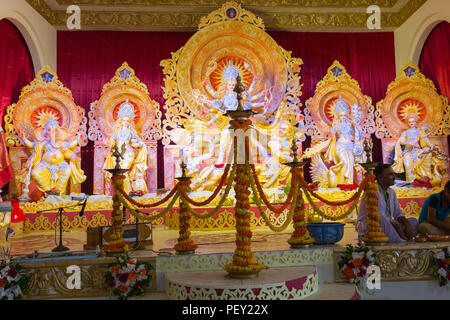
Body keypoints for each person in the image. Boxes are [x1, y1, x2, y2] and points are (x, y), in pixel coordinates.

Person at [18, 118, 86, 197]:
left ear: (58, 132)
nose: (52, 132)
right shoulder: (43, 143)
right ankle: (47, 191)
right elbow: (31, 145)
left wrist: (77, 141)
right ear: (44, 132)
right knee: (35, 173)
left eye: (55, 130)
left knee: (67, 171)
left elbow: (69, 148)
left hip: (60, 164)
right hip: (45, 164)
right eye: (49, 130)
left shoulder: (60, 143)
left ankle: (58, 192)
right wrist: (23, 138)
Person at [356, 163, 418, 242]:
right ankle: (401, 240)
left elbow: (398, 214)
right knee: (382, 220)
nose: (394, 177)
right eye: (390, 174)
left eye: (393, 174)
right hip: (371, 226)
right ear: (380, 177)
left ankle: (399, 237)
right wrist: (399, 230)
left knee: (413, 221)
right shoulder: (373, 190)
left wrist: (407, 224)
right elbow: (379, 217)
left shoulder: (391, 192)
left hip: (389, 226)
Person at [103, 99, 148, 195]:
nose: (125, 122)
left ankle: (127, 192)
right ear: (120, 121)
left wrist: (136, 144)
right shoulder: (117, 132)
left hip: (128, 153)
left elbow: (140, 143)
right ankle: (119, 192)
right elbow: (111, 141)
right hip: (117, 153)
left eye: (127, 121)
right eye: (124, 120)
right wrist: (108, 143)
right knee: (117, 173)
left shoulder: (132, 132)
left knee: (123, 171)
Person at [392, 113, 445, 186]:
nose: (411, 123)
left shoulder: (420, 132)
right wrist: (409, 142)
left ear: (416, 122)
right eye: (410, 122)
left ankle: (423, 179)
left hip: (418, 151)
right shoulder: (406, 132)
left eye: (413, 122)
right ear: (408, 123)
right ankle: (411, 182)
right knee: (407, 163)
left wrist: (432, 146)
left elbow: (426, 141)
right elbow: (401, 141)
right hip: (409, 151)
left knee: (427, 154)